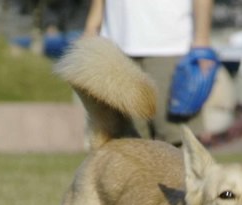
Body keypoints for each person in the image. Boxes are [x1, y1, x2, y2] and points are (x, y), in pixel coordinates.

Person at [84, 0, 214, 146]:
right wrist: (92, 26)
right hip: (116, 45)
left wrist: (202, 39)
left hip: (170, 46)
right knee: (128, 143)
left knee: (178, 141)